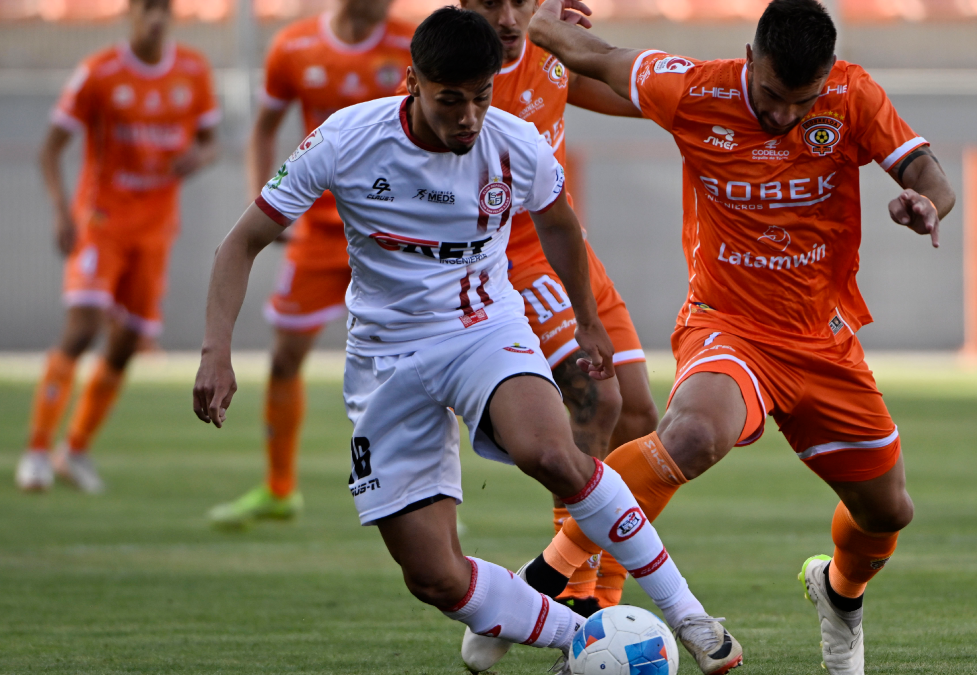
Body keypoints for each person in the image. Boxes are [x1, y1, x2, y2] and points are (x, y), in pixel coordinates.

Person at [190, 8, 740, 674]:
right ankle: (580, 636)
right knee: (434, 576)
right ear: (412, 83)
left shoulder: (513, 142)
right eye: (451, 100)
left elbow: (559, 226)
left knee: (552, 451)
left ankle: (689, 616)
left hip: (483, 329)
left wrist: (587, 318)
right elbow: (240, 243)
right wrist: (215, 352)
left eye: (481, 97)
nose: (469, 117)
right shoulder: (346, 138)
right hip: (385, 359)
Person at [516, 0, 957, 673]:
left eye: (802, 102)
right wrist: (544, 19)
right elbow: (592, 56)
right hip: (728, 326)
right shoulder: (695, 89)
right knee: (693, 434)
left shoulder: (852, 94)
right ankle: (545, 577)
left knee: (887, 512)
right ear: (750, 59)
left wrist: (928, 203)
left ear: (827, 76)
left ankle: (839, 593)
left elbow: (925, 170)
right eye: (772, 95)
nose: (784, 115)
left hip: (821, 340)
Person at [442, 0, 658, 617]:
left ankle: (600, 602)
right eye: (491, 2)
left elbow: (629, 96)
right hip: (508, 257)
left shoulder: (550, 51)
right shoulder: (451, 77)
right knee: (596, 398)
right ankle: (572, 597)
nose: (509, 18)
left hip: (566, 249)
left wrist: (592, 53)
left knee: (638, 417)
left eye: (522, 0)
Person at [206, 0, 416, 527]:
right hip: (319, 232)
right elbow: (264, 129)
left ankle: (426, 498)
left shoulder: (414, 41)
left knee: (420, 364)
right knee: (284, 358)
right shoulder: (294, 47)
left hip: (395, 232)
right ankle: (279, 489)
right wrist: (267, 202)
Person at [15, 0, 220, 494]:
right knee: (83, 326)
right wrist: (61, 211)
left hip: (155, 228)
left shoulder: (193, 71)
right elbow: (50, 148)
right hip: (101, 220)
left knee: (128, 342)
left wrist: (199, 156)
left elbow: (210, 140)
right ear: (129, 14)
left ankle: (74, 450)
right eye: (147, 8)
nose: (156, 18)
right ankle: (37, 451)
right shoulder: (99, 72)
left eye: (163, 9)